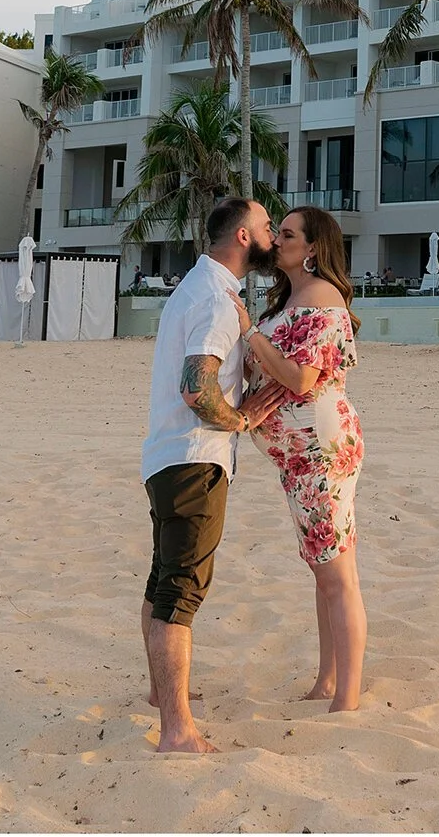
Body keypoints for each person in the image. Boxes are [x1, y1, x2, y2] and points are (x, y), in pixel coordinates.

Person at [139, 195, 289, 755]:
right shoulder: (216, 300)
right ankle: (176, 729)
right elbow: (196, 386)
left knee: (162, 583)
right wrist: (244, 417)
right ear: (244, 236)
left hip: (167, 455)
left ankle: (162, 696)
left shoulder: (198, 289)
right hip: (194, 456)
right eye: (268, 227)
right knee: (181, 590)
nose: (274, 234)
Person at [238, 204, 368, 710]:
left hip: (321, 449)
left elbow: (300, 379)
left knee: (338, 575)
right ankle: (327, 681)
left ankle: (348, 697)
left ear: (313, 248)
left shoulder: (322, 299)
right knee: (325, 569)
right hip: (298, 456)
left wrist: (250, 331)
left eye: (288, 235)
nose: (278, 241)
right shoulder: (291, 300)